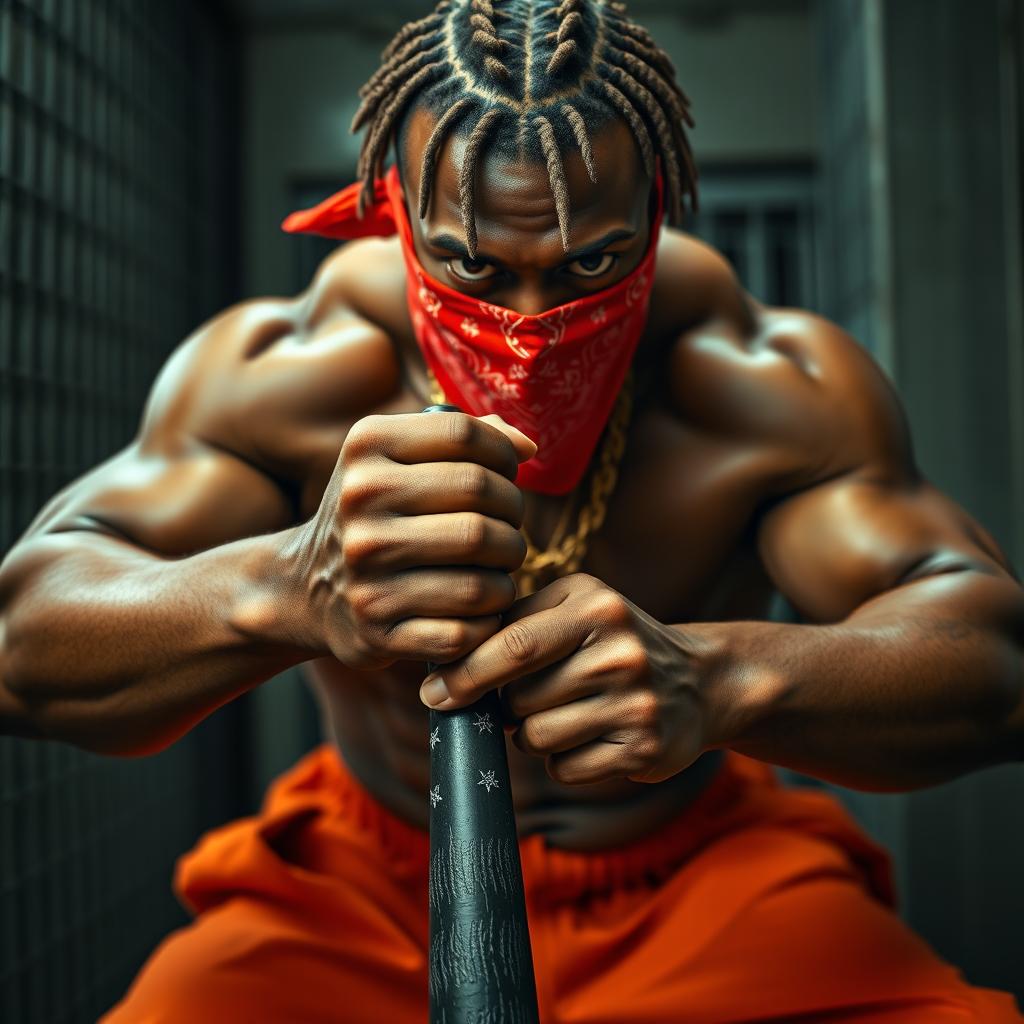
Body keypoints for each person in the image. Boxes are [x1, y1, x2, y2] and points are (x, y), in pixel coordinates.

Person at [1, 0, 1022, 1020]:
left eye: (589, 264)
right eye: (474, 268)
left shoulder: (758, 387)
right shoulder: (291, 375)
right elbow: (21, 644)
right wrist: (282, 585)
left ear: (658, 204)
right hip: (364, 888)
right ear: (400, 210)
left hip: (698, 876)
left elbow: (997, 667)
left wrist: (719, 681)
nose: (530, 327)